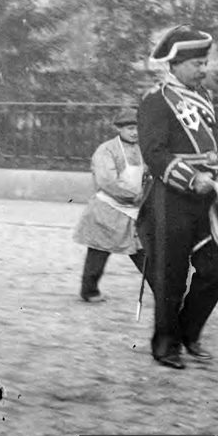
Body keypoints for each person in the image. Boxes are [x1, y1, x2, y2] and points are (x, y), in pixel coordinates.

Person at [136, 25, 218, 369]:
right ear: (175, 64)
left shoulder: (203, 97)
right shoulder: (156, 101)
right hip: (170, 197)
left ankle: (189, 330)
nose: (204, 69)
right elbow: (154, 154)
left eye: (205, 62)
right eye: (197, 63)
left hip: (208, 194)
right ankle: (165, 344)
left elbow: (211, 143)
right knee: (171, 273)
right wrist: (191, 179)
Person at [72, 106, 146, 303]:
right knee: (99, 251)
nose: (135, 132)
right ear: (119, 129)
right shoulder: (106, 150)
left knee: (144, 251)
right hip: (108, 207)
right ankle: (89, 291)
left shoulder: (143, 149)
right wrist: (133, 194)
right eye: (130, 128)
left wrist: (145, 194)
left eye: (138, 127)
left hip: (134, 209)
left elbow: (149, 174)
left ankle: (165, 290)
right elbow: (107, 181)